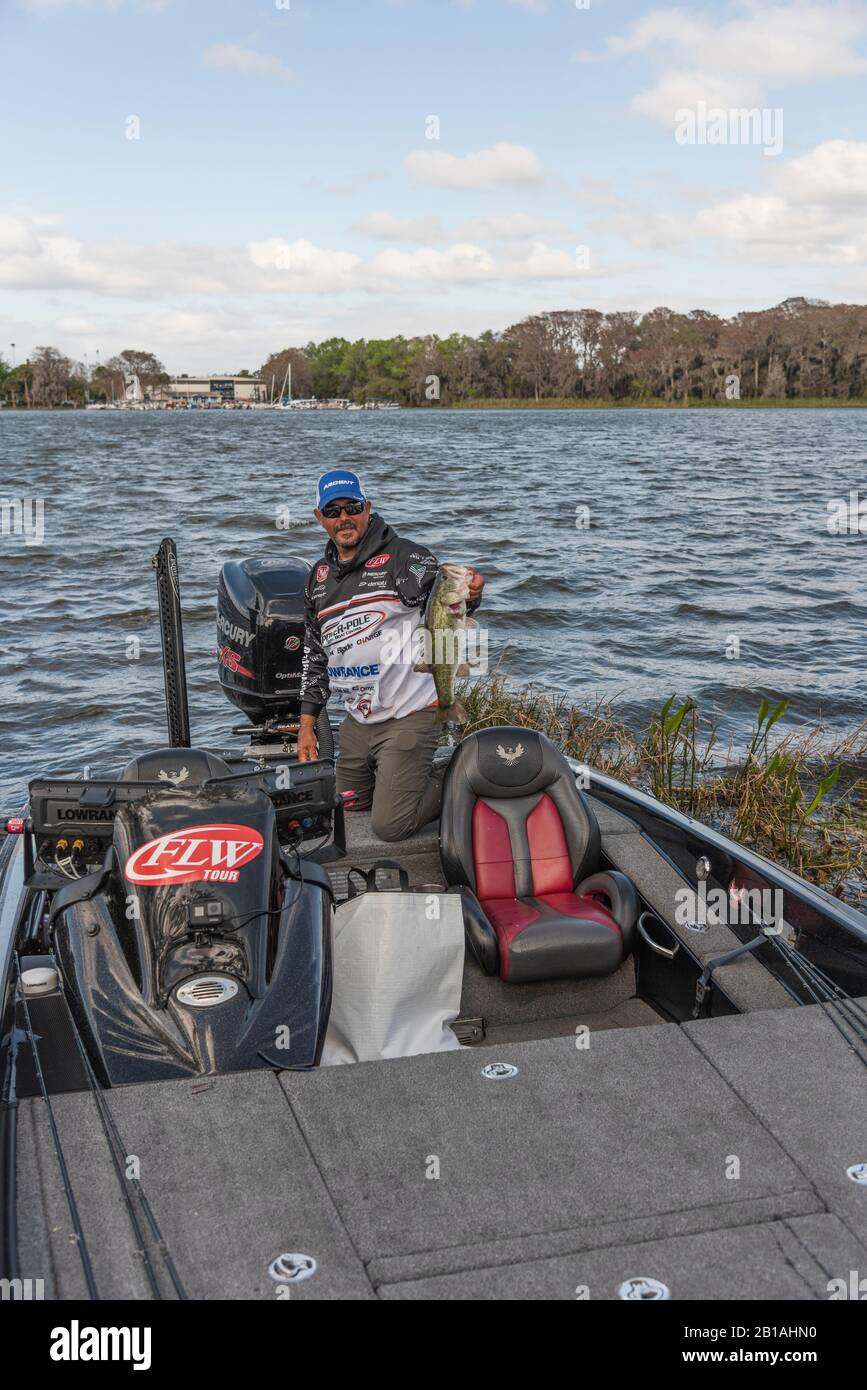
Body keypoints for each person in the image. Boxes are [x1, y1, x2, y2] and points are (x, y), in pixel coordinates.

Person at [297, 469, 484, 841]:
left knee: (390, 826)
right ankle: (404, 774)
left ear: (367, 508)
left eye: (351, 507)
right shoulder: (317, 579)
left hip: (409, 714)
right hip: (357, 721)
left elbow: (444, 603)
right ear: (319, 518)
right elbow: (314, 654)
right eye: (332, 512)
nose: (343, 518)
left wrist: (472, 594)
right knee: (348, 804)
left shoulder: (405, 557)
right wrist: (306, 724)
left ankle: (463, 774)